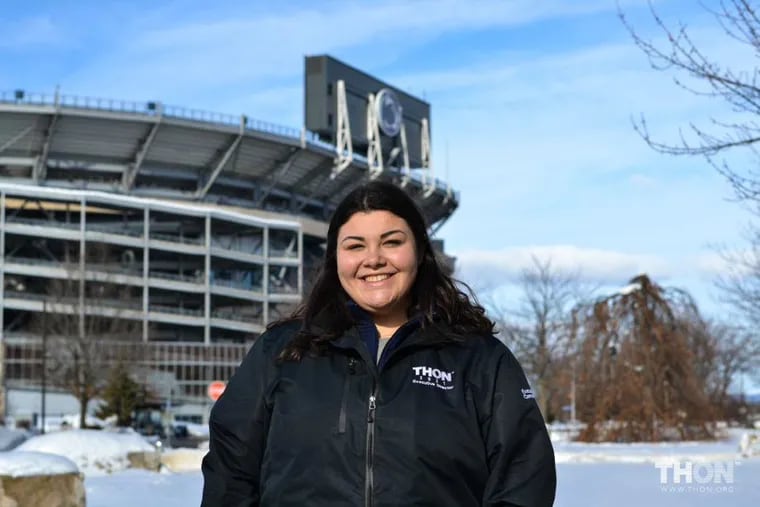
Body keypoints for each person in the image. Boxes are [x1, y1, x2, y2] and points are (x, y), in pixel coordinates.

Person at [201, 180, 556, 506]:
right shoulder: (281, 352)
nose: (373, 259)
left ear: (418, 251)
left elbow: (523, 478)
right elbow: (230, 472)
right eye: (355, 245)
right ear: (335, 259)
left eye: (392, 242)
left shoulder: (479, 360)